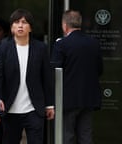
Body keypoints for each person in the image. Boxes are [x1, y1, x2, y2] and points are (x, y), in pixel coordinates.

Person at [0, 9, 55, 144]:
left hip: (34, 108)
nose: (20, 25)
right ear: (11, 28)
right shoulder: (3, 48)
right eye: (16, 22)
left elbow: (46, 77)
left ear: (30, 28)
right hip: (10, 108)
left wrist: (49, 104)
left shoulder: (40, 48)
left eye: (24, 22)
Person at [51, 10, 103, 144]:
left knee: (67, 136)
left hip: (67, 99)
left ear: (64, 25)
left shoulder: (61, 44)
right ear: (80, 24)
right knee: (86, 136)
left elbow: (55, 71)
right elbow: (100, 69)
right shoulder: (94, 43)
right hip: (88, 98)